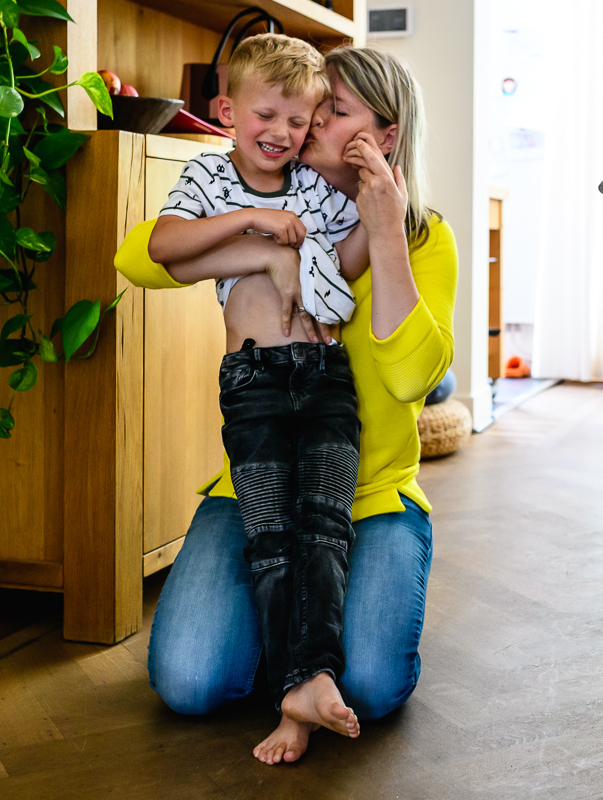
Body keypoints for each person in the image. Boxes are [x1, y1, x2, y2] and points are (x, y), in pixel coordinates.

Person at [115, 45, 458, 766]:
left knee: (372, 681)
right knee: (189, 680)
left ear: (384, 137)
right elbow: (143, 257)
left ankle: (299, 656)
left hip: (369, 493)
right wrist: (262, 251)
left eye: (328, 112)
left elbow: (410, 380)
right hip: (255, 469)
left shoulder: (420, 235)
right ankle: (296, 649)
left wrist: (388, 228)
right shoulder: (273, 189)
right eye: (298, 111)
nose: (301, 127)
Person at [148, 32, 368, 750]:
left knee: (324, 532)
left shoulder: (311, 186)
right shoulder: (210, 179)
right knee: (269, 538)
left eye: (297, 122)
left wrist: (378, 201)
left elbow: (348, 254)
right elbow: (163, 246)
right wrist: (252, 223)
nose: (280, 133)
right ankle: (293, 691)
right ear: (227, 109)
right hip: (255, 387)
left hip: (327, 379)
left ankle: (305, 691)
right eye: (265, 115)